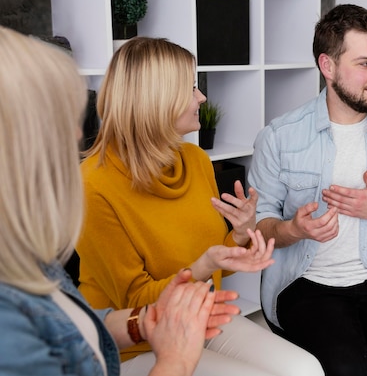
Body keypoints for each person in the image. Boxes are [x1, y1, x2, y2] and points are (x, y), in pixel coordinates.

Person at [0, 26, 241, 376]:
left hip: (172, 321)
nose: (78, 135)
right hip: (144, 348)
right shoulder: (92, 184)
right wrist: (173, 358)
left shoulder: (23, 257)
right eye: (55, 122)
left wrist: (147, 322)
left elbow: (78, 321)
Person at [76, 37, 324, 376]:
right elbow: (133, 301)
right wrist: (204, 266)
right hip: (134, 344)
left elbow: (218, 262)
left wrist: (239, 236)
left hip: (201, 316)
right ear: (156, 99)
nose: (202, 97)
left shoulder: (194, 159)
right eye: (191, 87)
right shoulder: (93, 184)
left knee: (306, 368)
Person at [248, 3, 367, 376]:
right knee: (345, 367)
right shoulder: (280, 136)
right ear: (328, 66)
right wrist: (293, 230)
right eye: (365, 63)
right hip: (306, 283)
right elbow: (256, 224)